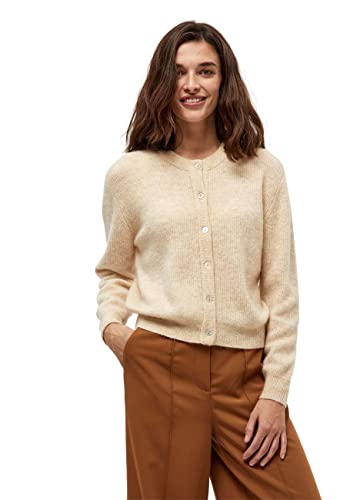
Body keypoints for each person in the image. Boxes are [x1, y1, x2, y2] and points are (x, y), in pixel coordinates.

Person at [95, 20, 321, 500]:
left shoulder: (263, 171)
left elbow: (281, 289)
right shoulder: (129, 175)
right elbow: (115, 269)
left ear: (224, 80)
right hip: (161, 367)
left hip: (246, 375)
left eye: (206, 71)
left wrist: (275, 392)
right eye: (179, 72)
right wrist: (115, 331)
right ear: (162, 81)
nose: (191, 84)